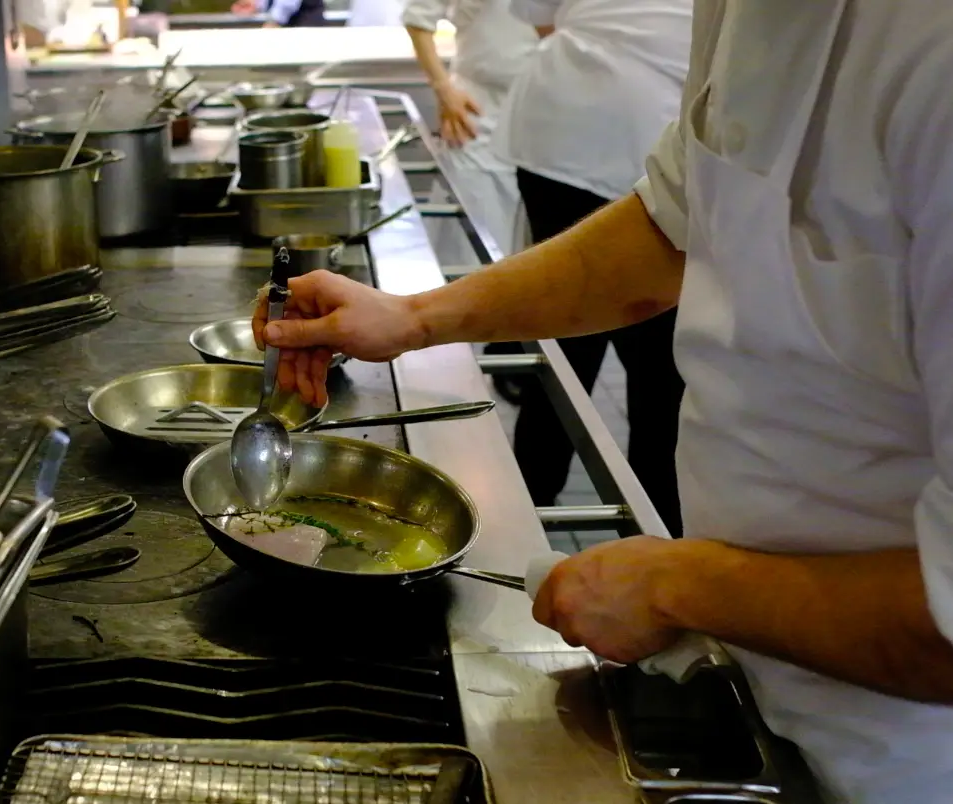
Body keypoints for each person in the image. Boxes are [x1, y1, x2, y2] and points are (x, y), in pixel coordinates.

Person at [251, 0, 953, 799]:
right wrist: (412, 317)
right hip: (751, 683)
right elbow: (672, 226)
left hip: (899, 756)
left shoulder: (930, 52)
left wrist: (677, 585)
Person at [497, 0, 693, 534]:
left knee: (559, 347)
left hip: (561, 118)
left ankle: (520, 527)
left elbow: (539, 16)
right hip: (646, 131)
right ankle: (651, 544)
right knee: (657, 373)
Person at [403, 0, 536, 257]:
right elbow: (418, 19)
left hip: (543, 118)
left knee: (537, 252)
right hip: (476, 114)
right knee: (472, 245)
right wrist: (444, 89)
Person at [230, 0, 326, 27]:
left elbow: (287, 4)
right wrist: (255, 4)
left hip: (304, 28)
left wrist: (274, 22)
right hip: (286, 28)